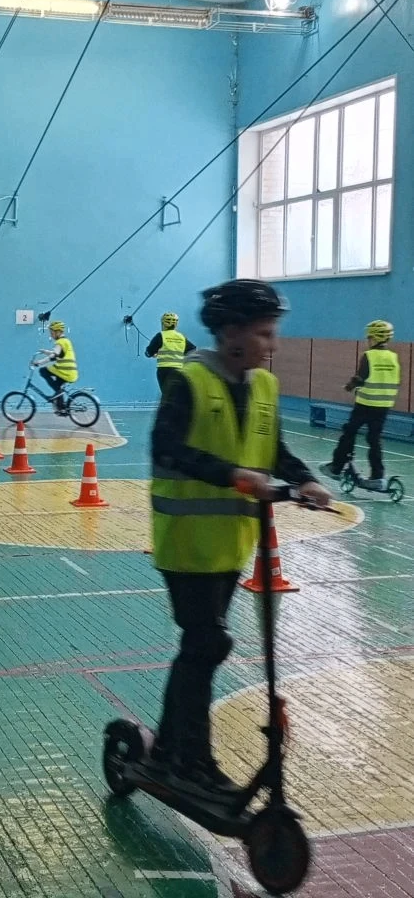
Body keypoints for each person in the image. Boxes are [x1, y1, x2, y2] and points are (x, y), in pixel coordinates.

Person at [148, 279, 330, 798]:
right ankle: (191, 762)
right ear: (231, 333)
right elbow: (166, 448)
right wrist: (234, 475)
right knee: (207, 642)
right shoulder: (189, 380)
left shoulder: (264, 386)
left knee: (203, 645)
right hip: (186, 542)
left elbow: (273, 450)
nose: (273, 344)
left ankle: (166, 752)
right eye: (265, 333)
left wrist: (305, 480)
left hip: (231, 543)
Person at [319, 320, 400, 490]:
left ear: (374, 338)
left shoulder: (369, 356)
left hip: (365, 404)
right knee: (374, 439)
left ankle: (337, 467)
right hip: (384, 406)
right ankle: (377, 477)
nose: (367, 340)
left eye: (369, 337)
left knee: (349, 432)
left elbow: (360, 378)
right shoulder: (393, 357)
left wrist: (349, 386)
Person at [35, 320, 78, 416]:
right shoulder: (66, 341)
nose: (51, 335)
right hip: (69, 372)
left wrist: (39, 362)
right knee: (57, 386)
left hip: (64, 371)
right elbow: (59, 354)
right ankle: (62, 409)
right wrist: (45, 351)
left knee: (43, 371)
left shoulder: (60, 342)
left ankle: (58, 394)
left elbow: (54, 355)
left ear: (58, 332)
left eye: (52, 333)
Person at [145, 312, 196, 392]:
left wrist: (153, 353)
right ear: (176, 324)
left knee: (167, 394)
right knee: (177, 394)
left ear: (163, 323)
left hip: (164, 370)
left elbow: (149, 352)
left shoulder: (161, 335)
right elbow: (192, 350)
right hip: (179, 370)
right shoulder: (181, 337)